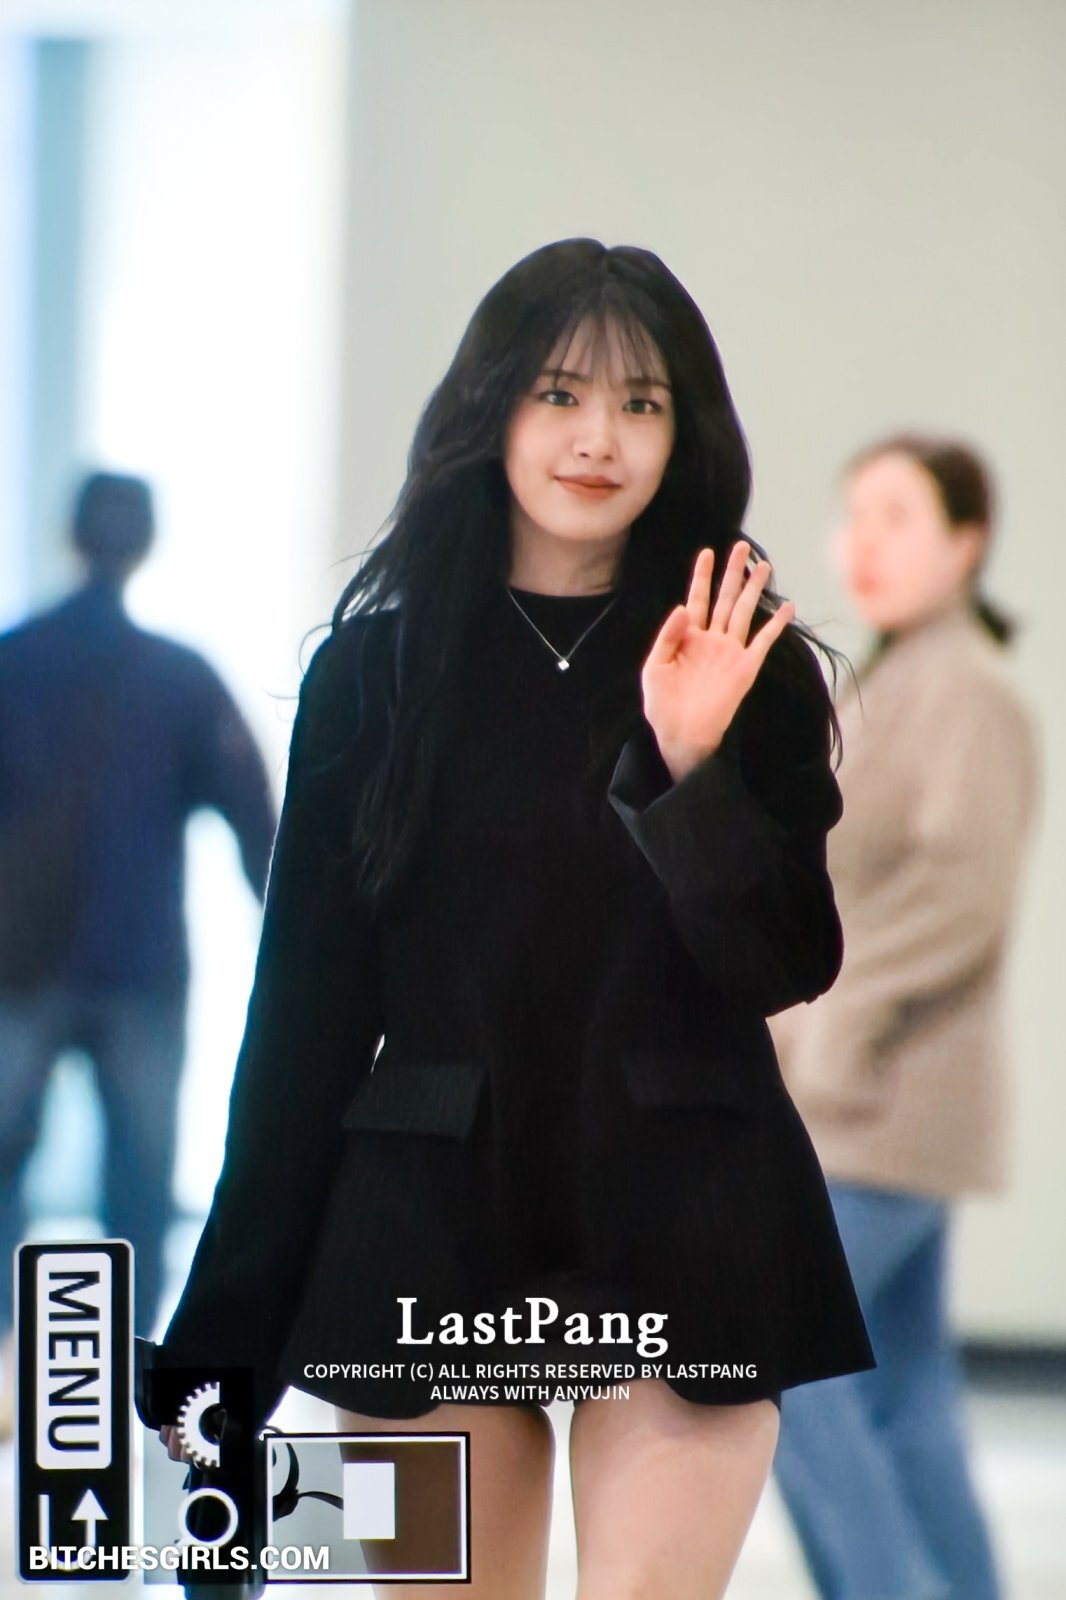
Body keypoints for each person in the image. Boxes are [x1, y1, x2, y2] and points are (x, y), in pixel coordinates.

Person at [153, 239, 875, 1600]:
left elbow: (785, 960)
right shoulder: (374, 673)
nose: (599, 438)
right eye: (559, 394)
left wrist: (686, 767)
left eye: (641, 403)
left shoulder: (743, 664)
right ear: (490, 408)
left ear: (685, 432)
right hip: (435, 1215)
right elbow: (302, 1028)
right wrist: (221, 1362)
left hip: (685, 1213)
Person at [769, 434, 1040, 1600]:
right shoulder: (896, 680)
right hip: (882, 1097)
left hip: (880, 1099)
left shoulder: (964, 691)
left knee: (784, 1353)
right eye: (855, 516)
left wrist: (830, 1020)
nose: (863, 543)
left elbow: (957, 896)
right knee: (902, 1385)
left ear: (964, 543)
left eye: (896, 517)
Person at [0, 471, 277, 1436]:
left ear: (68, 536)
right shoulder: (180, 677)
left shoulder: (12, 661)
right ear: (147, 543)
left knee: (1, 1168)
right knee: (140, 1188)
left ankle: (13, 1364)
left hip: (19, 969)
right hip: (142, 970)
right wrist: (304, 958)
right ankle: (125, 1374)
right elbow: (257, 825)